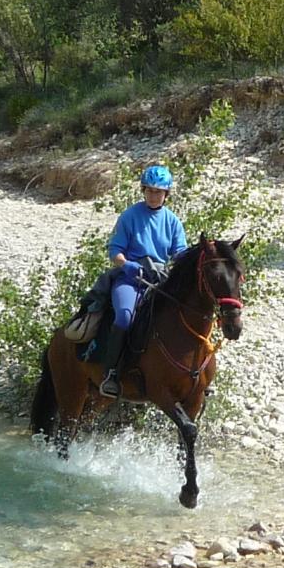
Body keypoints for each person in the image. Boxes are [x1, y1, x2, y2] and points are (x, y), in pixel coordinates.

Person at [99, 164, 188, 399]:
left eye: (158, 192)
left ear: (166, 195)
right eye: (149, 191)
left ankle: (191, 374)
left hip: (160, 279)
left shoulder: (173, 221)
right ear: (143, 191)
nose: (153, 196)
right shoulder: (129, 216)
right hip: (131, 279)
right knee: (124, 317)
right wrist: (127, 265)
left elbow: (180, 253)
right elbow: (115, 251)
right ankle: (111, 374)